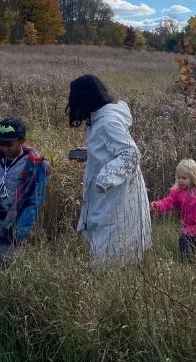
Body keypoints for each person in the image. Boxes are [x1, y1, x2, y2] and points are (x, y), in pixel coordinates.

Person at [68, 74, 151, 265]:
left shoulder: (107, 122)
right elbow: (112, 150)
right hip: (112, 195)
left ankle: (112, 282)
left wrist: (104, 178)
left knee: (111, 245)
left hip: (116, 196)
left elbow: (131, 154)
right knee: (108, 242)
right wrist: (91, 153)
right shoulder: (100, 120)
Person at [0, 118, 50, 266]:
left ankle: (5, 283)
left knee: (5, 260)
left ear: (22, 140)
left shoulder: (35, 167)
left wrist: (21, 230)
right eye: (1, 144)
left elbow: (35, 202)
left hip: (17, 220)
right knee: (0, 252)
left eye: (9, 144)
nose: (4, 148)